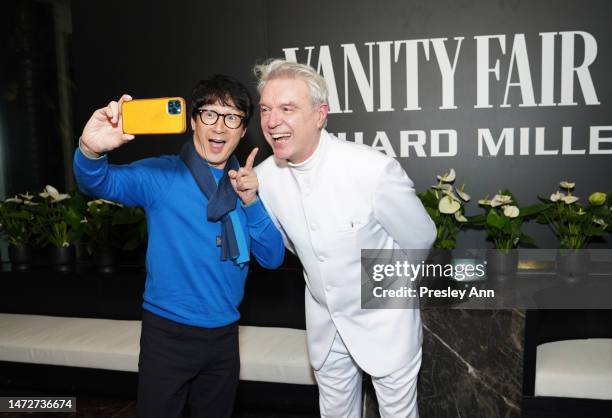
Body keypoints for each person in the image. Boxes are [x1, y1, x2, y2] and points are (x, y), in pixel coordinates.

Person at [73, 75, 285, 418]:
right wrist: (90, 148)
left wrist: (252, 202)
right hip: (167, 337)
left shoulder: (247, 182)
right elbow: (97, 181)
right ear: (192, 121)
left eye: (232, 117)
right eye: (210, 114)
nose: (220, 126)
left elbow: (273, 258)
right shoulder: (162, 174)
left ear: (243, 130)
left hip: (225, 339)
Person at [253, 59, 436, 418]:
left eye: (287, 108)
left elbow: (421, 238)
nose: (272, 121)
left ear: (320, 114)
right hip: (324, 326)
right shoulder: (265, 178)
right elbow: (296, 247)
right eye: (265, 109)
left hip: (386, 324)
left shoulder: (372, 170)